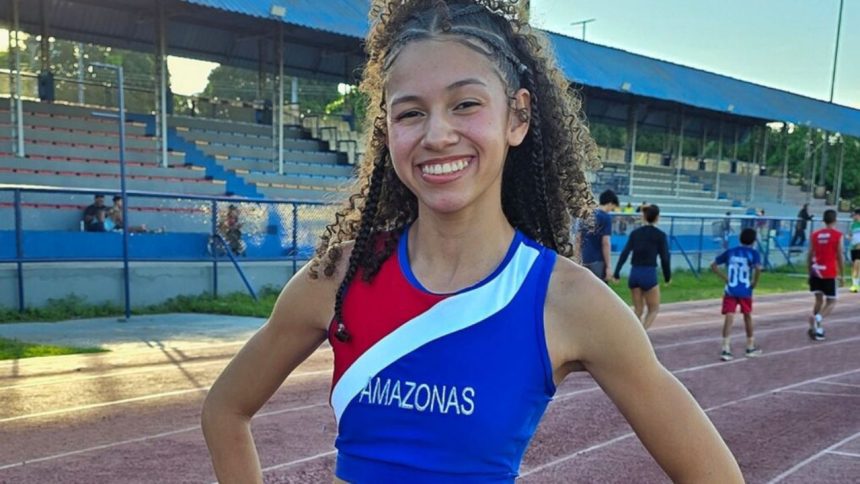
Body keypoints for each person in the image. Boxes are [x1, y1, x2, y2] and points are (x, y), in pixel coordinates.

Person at [201, 2, 742, 483]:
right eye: (410, 112)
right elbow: (225, 410)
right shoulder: (338, 279)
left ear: (518, 116)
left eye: (465, 104)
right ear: (387, 131)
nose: (437, 134)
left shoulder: (570, 303)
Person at [613, 204, 672, 330]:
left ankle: (633, 335)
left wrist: (617, 272)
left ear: (644, 216)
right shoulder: (660, 235)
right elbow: (665, 258)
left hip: (634, 272)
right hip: (649, 273)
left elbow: (625, 252)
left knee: (638, 310)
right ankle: (643, 335)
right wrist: (667, 277)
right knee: (653, 309)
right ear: (657, 217)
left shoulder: (635, 233)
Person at [711, 228, 762, 361]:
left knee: (729, 316)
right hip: (745, 289)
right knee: (747, 316)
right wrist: (755, 282)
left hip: (731, 289)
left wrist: (725, 278)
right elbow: (758, 268)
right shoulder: (753, 253)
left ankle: (725, 347)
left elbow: (714, 265)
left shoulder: (731, 252)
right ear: (754, 240)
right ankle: (750, 346)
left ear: (740, 238)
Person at [807, 209, 845, 341]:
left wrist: (808, 272)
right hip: (829, 272)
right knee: (832, 301)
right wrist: (842, 274)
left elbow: (810, 253)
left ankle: (817, 329)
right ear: (835, 220)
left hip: (815, 270)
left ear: (823, 220)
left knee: (818, 300)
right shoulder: (837, 235)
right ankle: (817, 318)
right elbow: (840, 255)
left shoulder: (815, 235)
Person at [579, 189, 618, 282]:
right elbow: (605, 242)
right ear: (610, 203)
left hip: (584, 258)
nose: (611, 210)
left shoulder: (587, 215)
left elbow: (578, 238)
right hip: (598, 261)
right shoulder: (606, 217)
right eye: (612, 207)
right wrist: (608, 266)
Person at [850, 209, 860, 293]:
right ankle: (854, 284)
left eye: (855, 215)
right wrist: (849, 237)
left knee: (857, 264)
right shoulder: (853, 224)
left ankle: (856, 285)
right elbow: (851, 234)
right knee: (854, 266)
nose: (854, 216)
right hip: (853, 247)